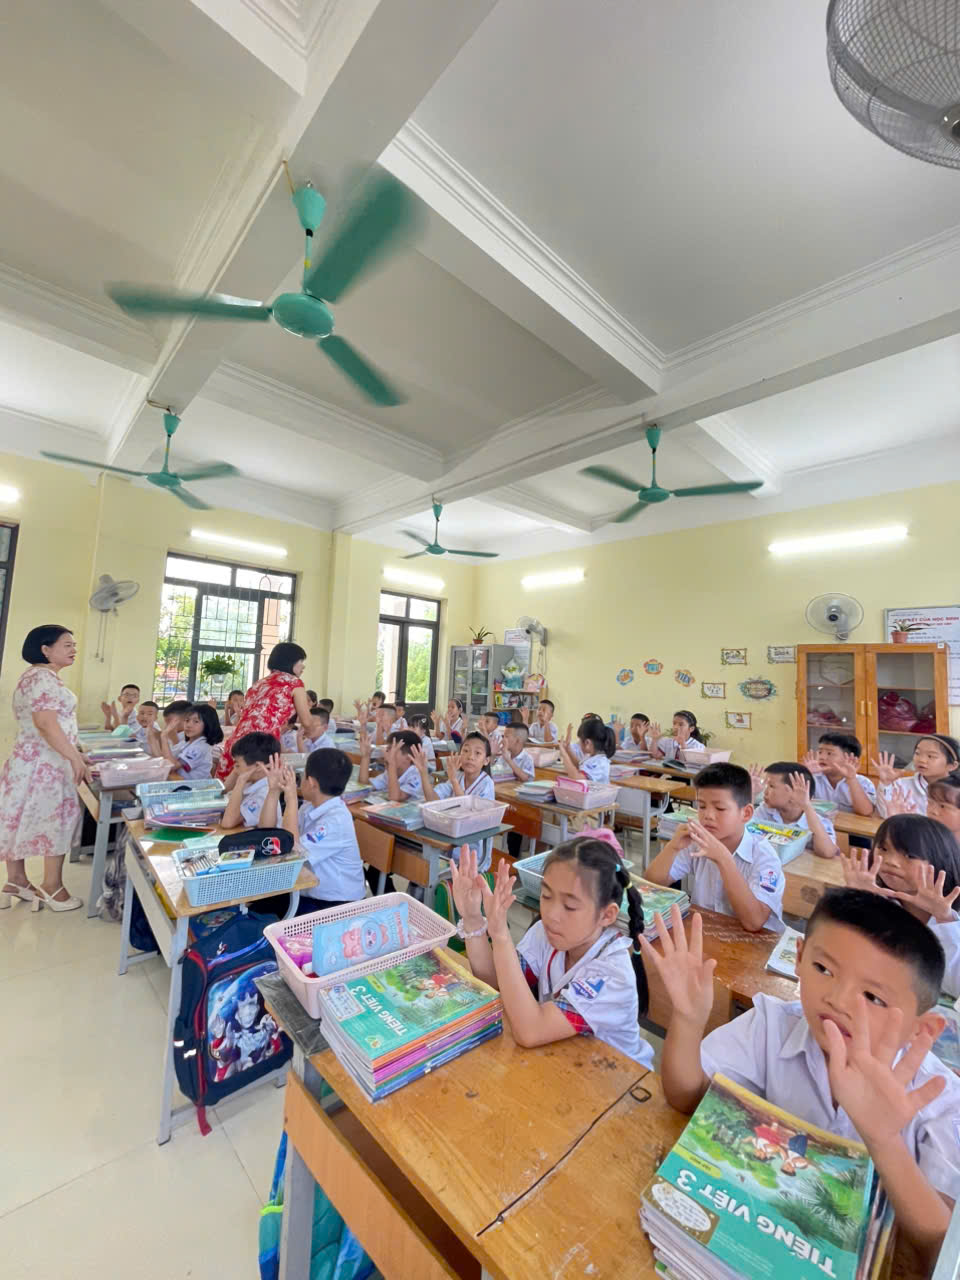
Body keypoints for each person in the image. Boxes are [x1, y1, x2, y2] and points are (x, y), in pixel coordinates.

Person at [642, 888, 960, 1270]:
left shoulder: (939, 1099)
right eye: (824, 969)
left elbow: (942, 1249)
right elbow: (688, 1098)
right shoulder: (772, 1025)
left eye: (873, 997)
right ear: (799, 956)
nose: (838, 1000)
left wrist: (885, 1141)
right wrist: (688, 1021)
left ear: (922, 1028)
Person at [450, 839, 653, 1066]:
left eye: (570, 906)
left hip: (616, 1079)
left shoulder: (611, 975)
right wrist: (472, 919)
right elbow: (496, 984)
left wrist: (501, 936)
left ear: (606, 915)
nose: (551, 914)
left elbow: (530, 1031)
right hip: (565, 1062)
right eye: (546, 896)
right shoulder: (546, 934)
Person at [0, 625, 91, 912]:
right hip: (46, 766)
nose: (74, 649)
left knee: (17, 817)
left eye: (74, 645)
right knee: (56, 819)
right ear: (45, 649)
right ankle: (53, 888)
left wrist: (75, 751)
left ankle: (16, 880)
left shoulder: (32, 677)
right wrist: (74, 758)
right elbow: (46, 724)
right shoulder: (43, 679)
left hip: (27, 761)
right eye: (67, 645)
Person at [644, 762, 785, 934]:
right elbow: (653, 884)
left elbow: (754, 922)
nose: (708, 815)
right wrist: (672, 847)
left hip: (755, 943)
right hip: (709, 934)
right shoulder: (697, 842)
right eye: (702, 806)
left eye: (720, 808)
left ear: (746, 813)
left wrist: (723, 859)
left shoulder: (764, 857)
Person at [841, 814, 960, 998]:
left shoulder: (951, 918)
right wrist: (858, 901)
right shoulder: (879, 900)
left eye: (909, 855)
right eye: (883, 849)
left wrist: (944, 919)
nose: (891, 861)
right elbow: (843, 956)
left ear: (939, 861)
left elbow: (956, 986)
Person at [263, 749, 365, 914]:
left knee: (267, 912)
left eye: (302, 776)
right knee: (262, 904)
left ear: (311, 783)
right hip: (311, 893)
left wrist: (291, 799)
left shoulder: (335, 821)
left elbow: (292, 853)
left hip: (337, 906)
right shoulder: (310, 807)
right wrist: (274, 791)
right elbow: (269, 833)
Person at [216, 642, 312, 780]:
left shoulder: (260, 683)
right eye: (301, 661)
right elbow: (307, 722)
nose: (303, 666)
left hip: (237, 742)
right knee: (257, 790)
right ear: (290, 661)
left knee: (229, 788)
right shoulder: (294, 683)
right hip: (261, 747)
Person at [415, 733, 496, 869]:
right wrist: (423, 773)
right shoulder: (458, 776)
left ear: (486, 760)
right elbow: (432, 800)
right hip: (451, 845)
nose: (470, 757)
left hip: (474, 857)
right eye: (466, 750)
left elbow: (468, 813)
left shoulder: (486, 784)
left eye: (477, 753)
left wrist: (453, 780)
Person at [752, 761, 839, 859]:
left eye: (771, 786)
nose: (765, 791)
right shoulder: (766, 811)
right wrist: (751, 795)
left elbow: (827, 852)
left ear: (794, 792)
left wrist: (807, 806)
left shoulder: (818, 821)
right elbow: (743, 834)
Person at [873, 733, 960, 817]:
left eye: (930, 756)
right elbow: (884, 813)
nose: (921, 760)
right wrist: (886, 784)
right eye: (917, 753)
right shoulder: (901, 785)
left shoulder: (956, 790)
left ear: (952, 766)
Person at [804, 731, 876, 816]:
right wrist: (806, 774)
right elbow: (795, 806)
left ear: (850, 758)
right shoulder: (813, 777)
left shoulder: (863, 782)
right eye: (820, 752)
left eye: (829, 753)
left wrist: (851, 779)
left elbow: (866, 812)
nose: (822, 757)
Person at [221, 732, 282, 829]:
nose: (234, 769)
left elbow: (228, 822)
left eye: (237, 765)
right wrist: (238, 772)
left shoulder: (263, 794)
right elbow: (223, 791)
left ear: (257, 766)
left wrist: (240, 782)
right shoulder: (252, 783)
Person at [152, 703, 223, 779]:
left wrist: (164, 737)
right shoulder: (188, 743)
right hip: (180, 781)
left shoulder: (199, 747)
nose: (188, 725)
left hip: (193, 785)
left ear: (208, 724)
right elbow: (166, 758)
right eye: (187, 720)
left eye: (196, 721)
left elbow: (172, 766)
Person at [359, 728, 424, 801]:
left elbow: (395, 798)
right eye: (387, 750)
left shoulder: (416, 775)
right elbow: (364, 786)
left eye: (393, 751)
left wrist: (392, 764)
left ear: (408, 758)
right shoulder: (390, 771)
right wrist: (365, 757)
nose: (386, 754)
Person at [557, 717, 616, 784]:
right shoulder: (591, 756)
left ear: (587, 743)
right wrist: (568, 749)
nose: (579, 743)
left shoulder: (600, 762)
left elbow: (577, 778)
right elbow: (579, 766)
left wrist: (564, 754)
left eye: (580, 740)